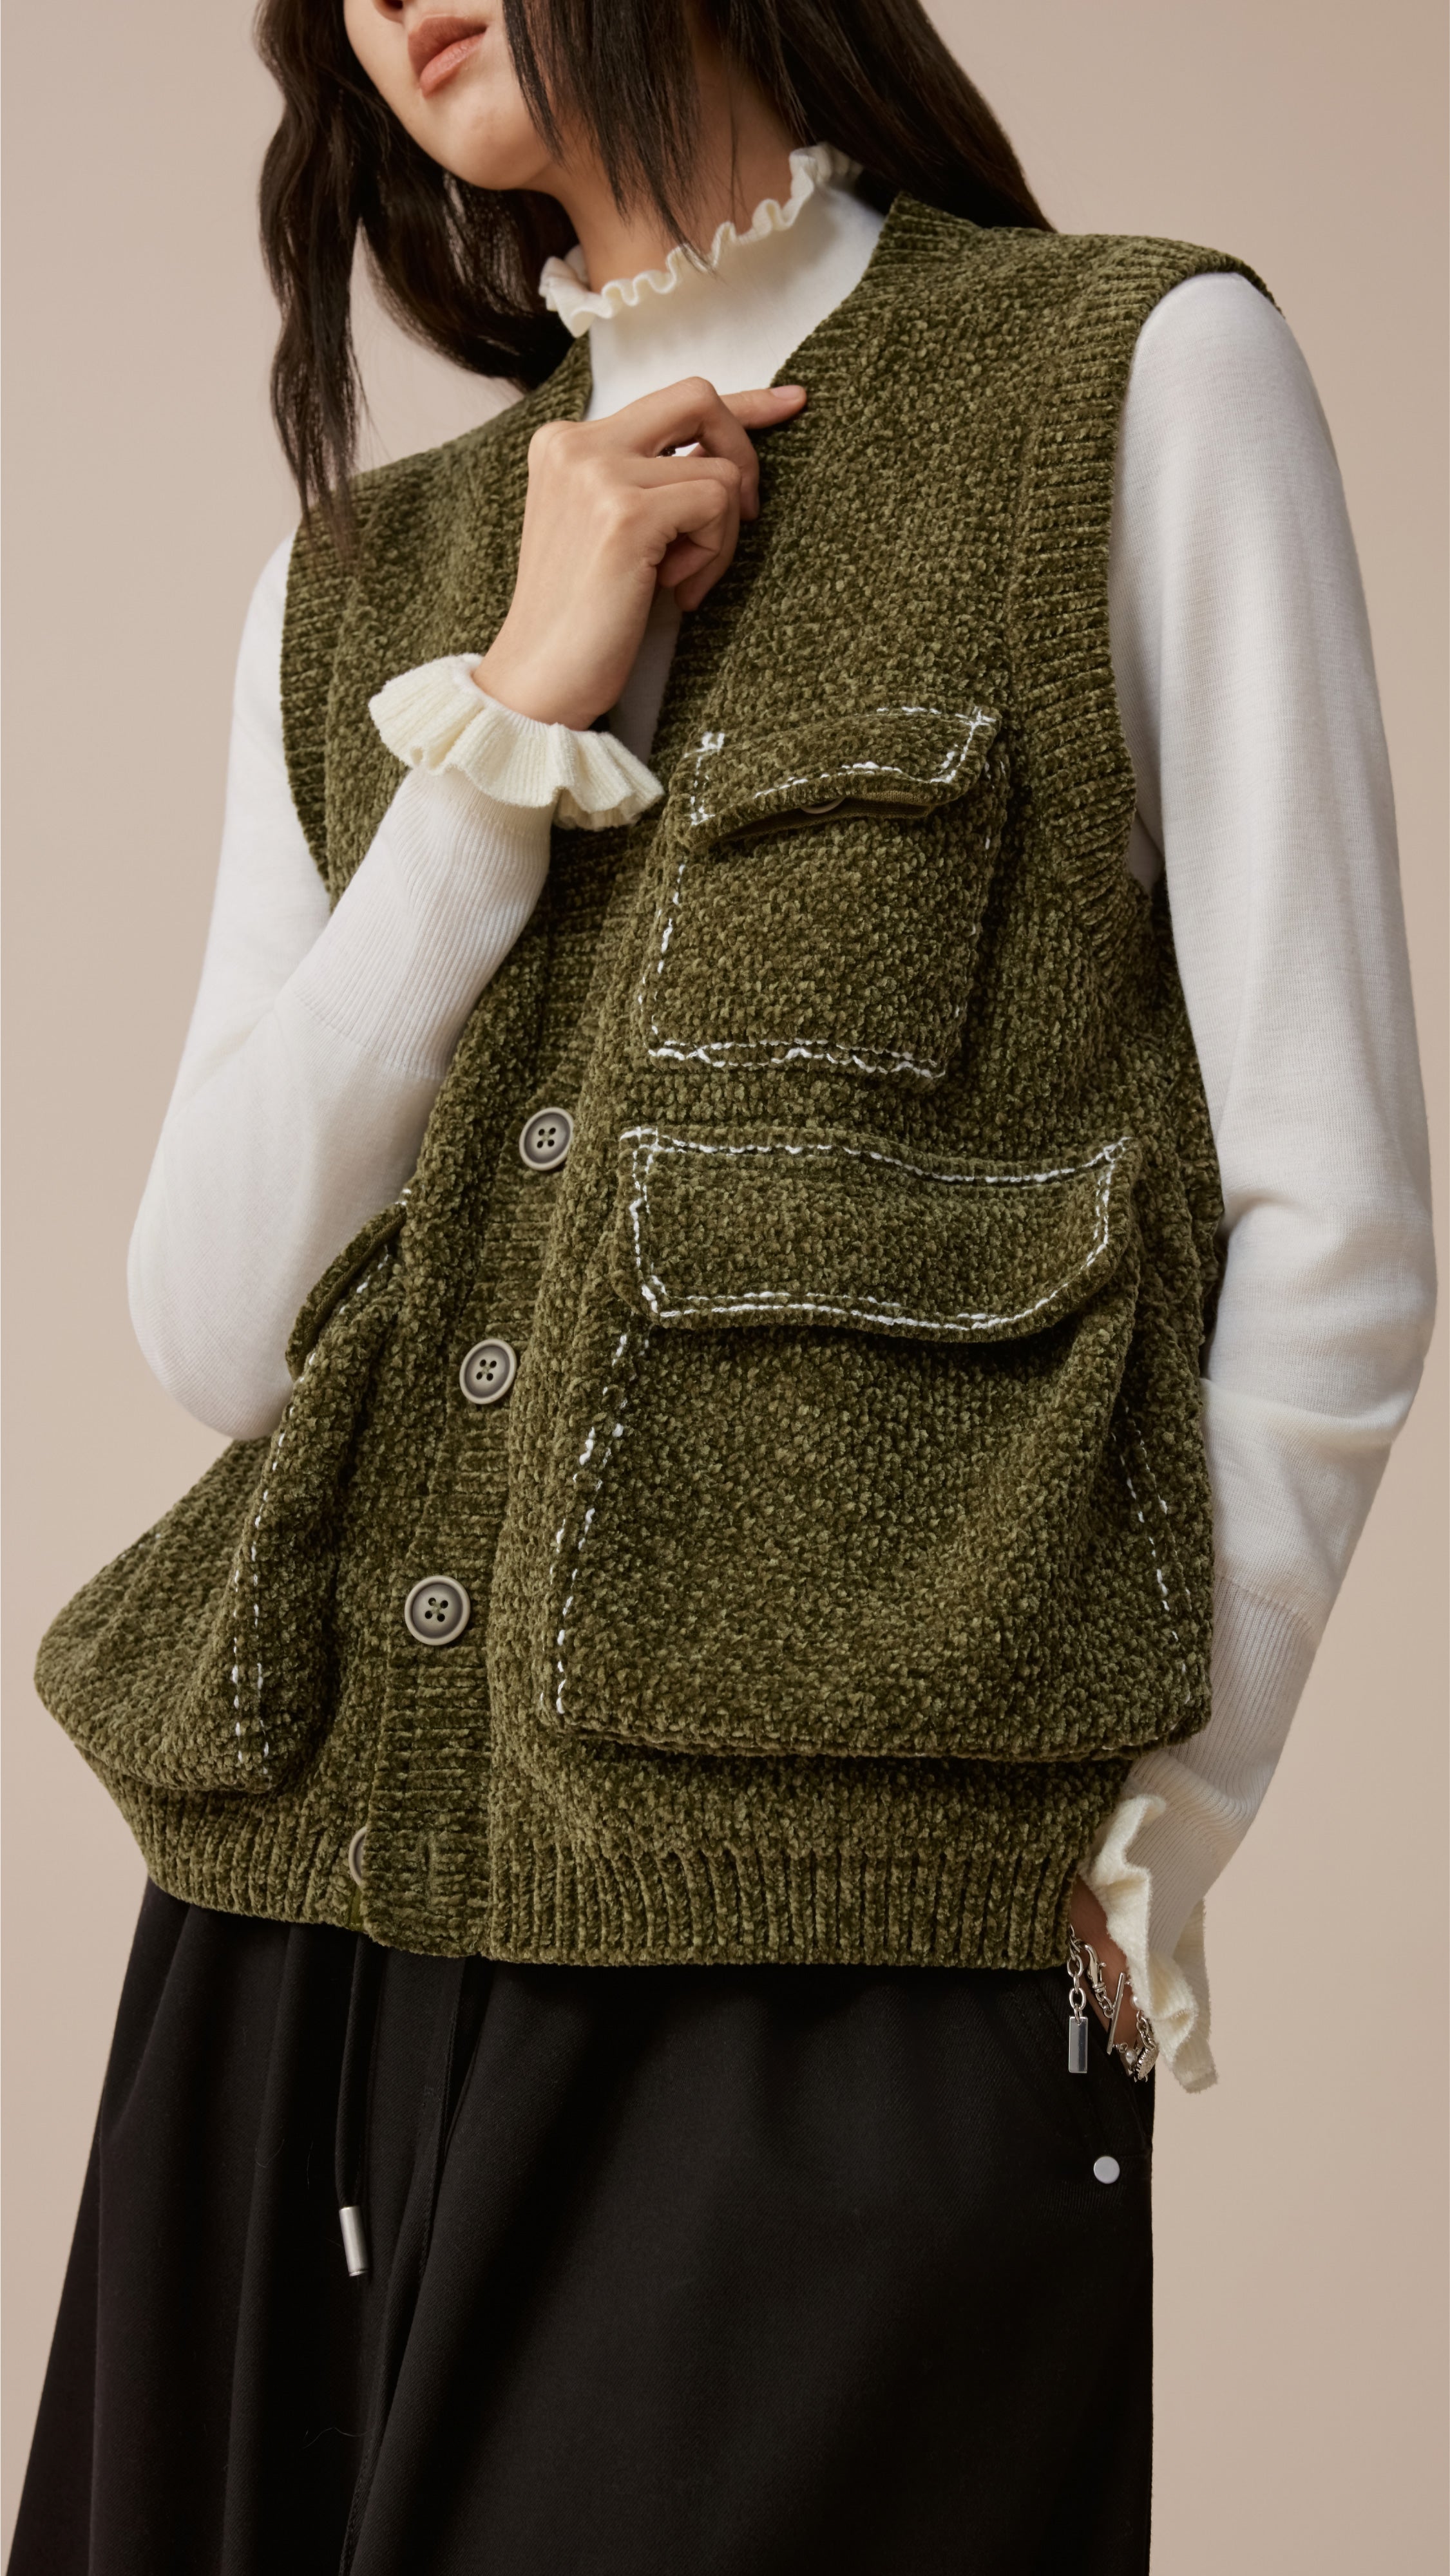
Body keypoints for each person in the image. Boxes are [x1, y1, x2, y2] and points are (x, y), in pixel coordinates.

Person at [14, 2, 1434, 2568]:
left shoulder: (1125, 377)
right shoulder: (363, 581)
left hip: (842, 1950)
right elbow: (220, 1322)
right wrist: (503, 733)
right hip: (294, 1942)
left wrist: (1160, 1822)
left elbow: (1331, 1216)